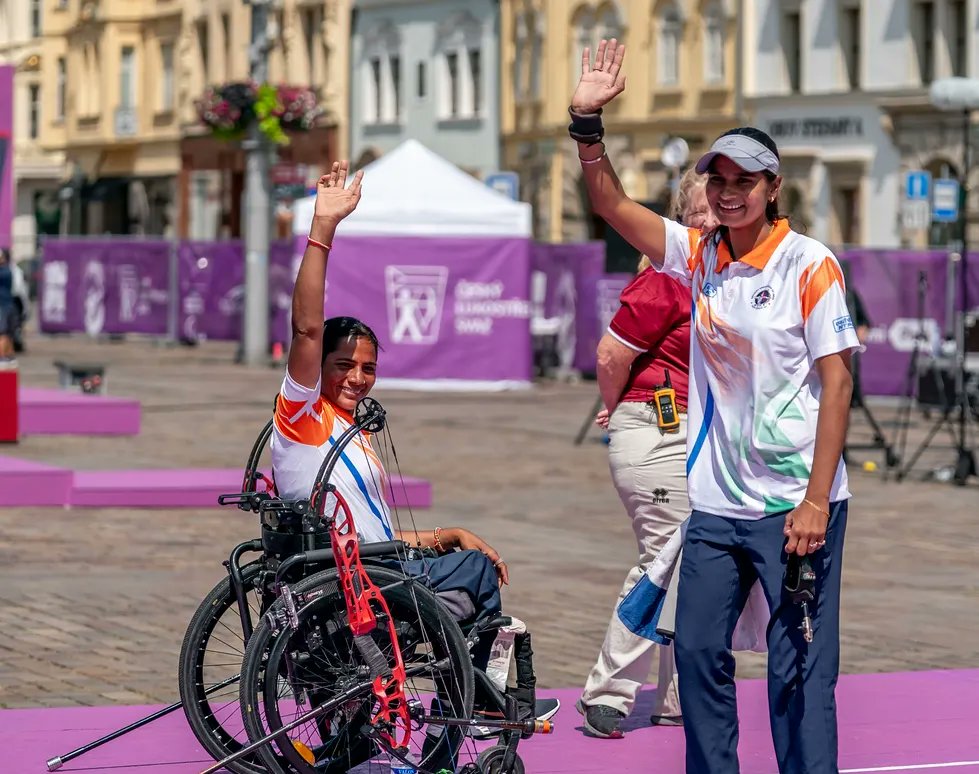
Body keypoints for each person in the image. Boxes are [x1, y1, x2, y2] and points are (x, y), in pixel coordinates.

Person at [570, 40, 859, 774]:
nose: (728, 191)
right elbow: (608, 203)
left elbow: (838, 383)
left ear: (772, 187)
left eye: (744, 180)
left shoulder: (808, 262)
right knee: (697, 651)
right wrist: (586, 122)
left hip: (794, 505)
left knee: (798, 669)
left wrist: (816, 500)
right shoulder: (698, 254)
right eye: (718, 179)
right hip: (714, 505)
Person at [270, 160, 559, 733]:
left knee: (463, 562)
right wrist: (322, 230)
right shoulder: (302, 419)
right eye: (343, 365)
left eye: (369, 368)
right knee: (475, 573)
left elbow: (370, 536)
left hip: (369, 564)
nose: (357, 377)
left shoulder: (352, 433)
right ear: (315, 368)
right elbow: (306, 328)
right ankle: (470, 705)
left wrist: (441, 535)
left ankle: (462, 680)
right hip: (355, 582)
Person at [578, 172, 717, 739]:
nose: (713, 218)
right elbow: (611, 354)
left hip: (697, 432)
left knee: (695, 563)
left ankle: (678, 698)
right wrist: (615, 406)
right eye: (702, 211)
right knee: (665, 556)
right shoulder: (669, 276)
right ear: (681, 220)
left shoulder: (725, 276)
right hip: (658, 427)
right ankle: (607, 690)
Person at [0, 250, 17, 367]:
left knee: (4, 333)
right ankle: (8, 355)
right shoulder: (8, 270)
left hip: (4, 306)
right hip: (7, 305)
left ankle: (3, 356)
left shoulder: (5, 272)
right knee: (7, 333)